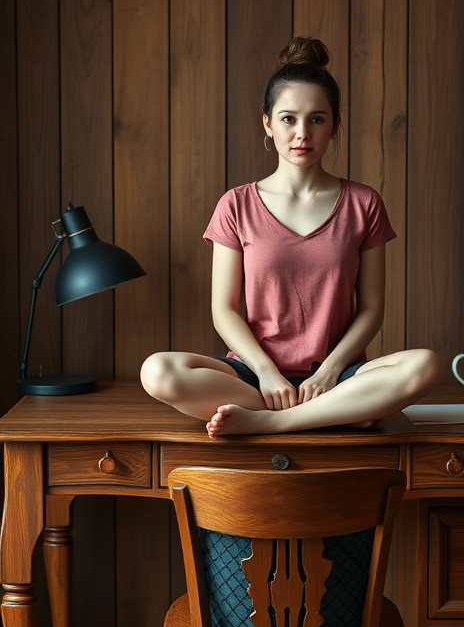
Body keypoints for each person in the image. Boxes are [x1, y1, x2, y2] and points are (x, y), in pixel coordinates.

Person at [141, 37, 442, 436]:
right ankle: (336, 413)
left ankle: (273, 422)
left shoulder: (363, 203)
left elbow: (371, 309)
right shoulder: (236, 205)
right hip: (251, 375)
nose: (302, 133)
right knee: (157, 370)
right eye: (288, 119)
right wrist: (266, 373)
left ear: (334, 124)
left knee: (426, 365)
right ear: (267, 123)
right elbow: (224, 311)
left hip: (336, 375)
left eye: (317, 119)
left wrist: (331, 371)